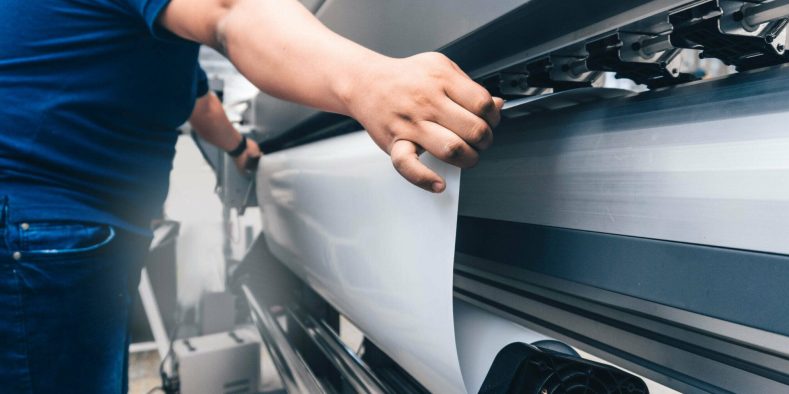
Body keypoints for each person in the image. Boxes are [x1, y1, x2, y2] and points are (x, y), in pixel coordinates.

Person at [0, 0, 504, 392]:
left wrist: (243, 151)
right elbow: (232, 11)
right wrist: (368, 81)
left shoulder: (155, 36)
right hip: (46, 228)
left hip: (57, 231)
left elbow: (200, 102)